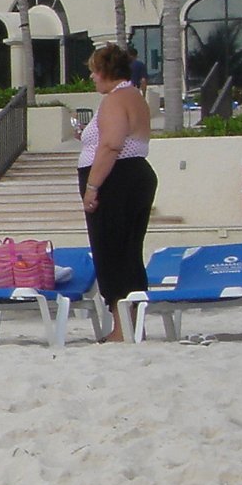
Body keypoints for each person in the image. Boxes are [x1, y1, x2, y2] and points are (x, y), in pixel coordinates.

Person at [79, 41, 157, 342]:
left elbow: (111, 144)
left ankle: (123, 328)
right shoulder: (135, 95)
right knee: (129, 252)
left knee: (111, 251)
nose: (91, 77)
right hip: (134, 176)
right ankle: (132, 324)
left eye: (94, 72)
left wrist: (92, 186)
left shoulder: (115, 99)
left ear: (105, 71)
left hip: (118, 180)